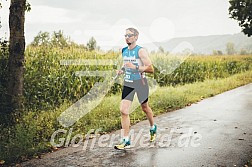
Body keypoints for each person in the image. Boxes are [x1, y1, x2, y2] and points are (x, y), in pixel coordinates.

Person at [114, 27, 157, 150]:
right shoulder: (124, 50)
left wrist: (135, 67)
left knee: (145, 107)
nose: (127, 37)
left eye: (129, 35)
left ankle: (153, 127)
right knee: (123, 110)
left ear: (136, 37)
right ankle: (126, 140)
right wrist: (122, 70)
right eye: (125, 35)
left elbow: (151, 69)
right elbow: (126, 63)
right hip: (128, 82)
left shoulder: (141, 51)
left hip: (140, 82)